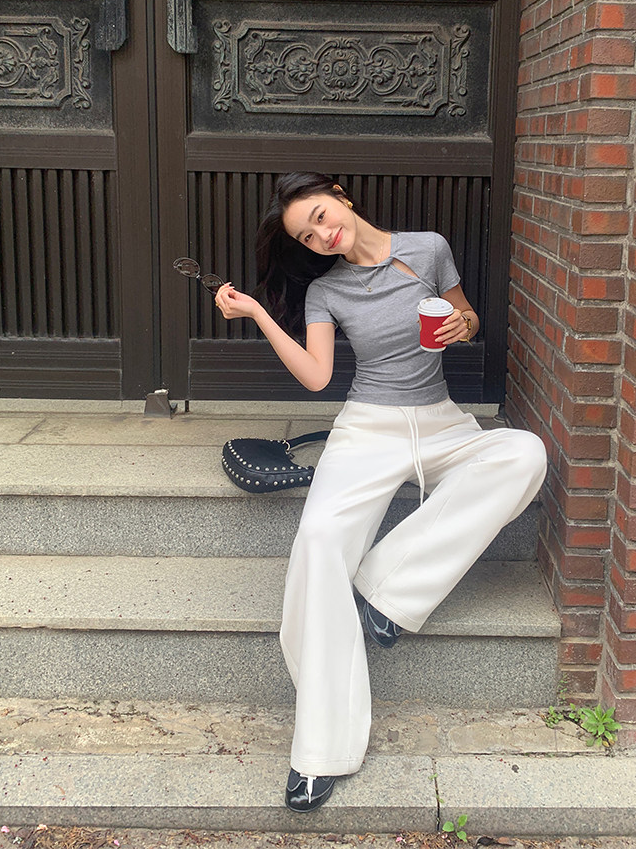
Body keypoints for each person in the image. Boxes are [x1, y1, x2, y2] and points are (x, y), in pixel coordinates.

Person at [214, 171, 547, 812]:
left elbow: (466, 316)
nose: (321, 235)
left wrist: (464, 325)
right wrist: (257, 313)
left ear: (340, 196)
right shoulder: (326, 291)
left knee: (523, 453)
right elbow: (317, 377)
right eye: (306, 236)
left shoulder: (428, 248)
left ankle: (386, 594)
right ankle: (320, 750)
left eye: (319, 216)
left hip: (442, 420)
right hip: (367, 427)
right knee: (318, 543)